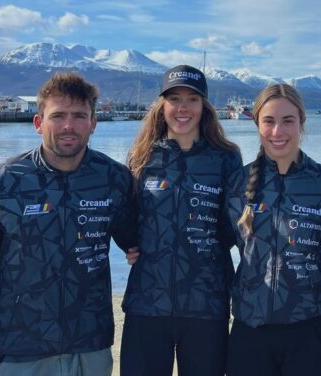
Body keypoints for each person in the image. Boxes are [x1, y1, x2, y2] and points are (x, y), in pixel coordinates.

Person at [0, 72, 136, 376]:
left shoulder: (114, 179)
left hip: (91, 348)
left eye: (79, 116)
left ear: (93, 124)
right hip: (20, 353)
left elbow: (138, 240)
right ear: (38, 123)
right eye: (58, 115)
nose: (68, 126)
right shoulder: (2, 184)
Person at [223, 83, 321, 376]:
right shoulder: (236, 183)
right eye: (269, 121)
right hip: (250, 331)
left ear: (302, 123)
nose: (278, 131)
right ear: (257, 124)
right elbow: (218, 243)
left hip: (311, 329)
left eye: (288, 121)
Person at [119, 65, 242, 376]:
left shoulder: (226, 157)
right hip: (147, 302)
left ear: (205, 107)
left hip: (206, 303)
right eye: (174, 99)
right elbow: (125, 214)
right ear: (162, 105)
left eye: (193, 99)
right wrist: (131, 244)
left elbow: (232, 224)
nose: (183, 108)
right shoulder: (142, 156)